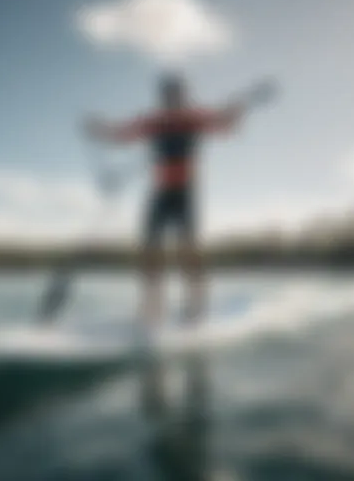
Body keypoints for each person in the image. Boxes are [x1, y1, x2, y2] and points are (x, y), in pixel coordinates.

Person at [85, 73, 245, 331]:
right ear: (163, 98)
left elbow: (225, 128)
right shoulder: (154, 122)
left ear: (182, 95)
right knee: (149, 247)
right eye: (167, 95)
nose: (171, 100)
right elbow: (122, 134)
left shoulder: (194, 118)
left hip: (185, 192)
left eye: (175, 95)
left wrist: (235, 115)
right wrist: (98, 130)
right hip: (160, 192)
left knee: (188, 248)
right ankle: (152, 306)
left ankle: (196, 305)